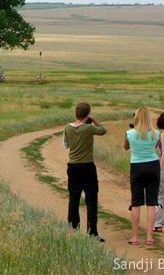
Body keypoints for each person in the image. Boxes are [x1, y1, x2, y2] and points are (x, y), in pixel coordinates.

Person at [64, 102, 107, 241]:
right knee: (91, 200)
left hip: (73, 166)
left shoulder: (67, 128)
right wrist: (94, 120)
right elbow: (103, 130)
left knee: (74, 199)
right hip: (87, 166)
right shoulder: (89, 128)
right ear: (87, 114)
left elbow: (66, 145)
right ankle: (92, 231)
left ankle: (73, 229)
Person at [124, 107, 161, 246]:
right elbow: (155, 147)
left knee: (136, 202)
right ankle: (150, 236)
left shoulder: (130, 133)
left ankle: (135, 236)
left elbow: (126, 147)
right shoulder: (156, 133)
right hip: (152, 164)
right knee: (152, 202)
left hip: (137, 165)